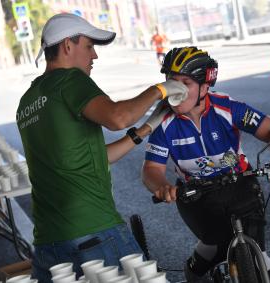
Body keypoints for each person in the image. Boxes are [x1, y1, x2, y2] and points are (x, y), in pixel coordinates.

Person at [16, 13, 188, 283]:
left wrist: (144, 130)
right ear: (67, 46)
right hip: (93, 229)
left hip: (49, 242)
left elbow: (92, 158)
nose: (94, 56)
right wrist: (162, 89)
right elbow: (118, 117)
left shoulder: (27, 101)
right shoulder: (69, 80)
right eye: (89, 46)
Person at [141, 47, 270, 282]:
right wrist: (162, 186)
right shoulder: (163, 122)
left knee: (257, 252)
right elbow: (151, 170)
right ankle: (195, 268)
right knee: (214, 246)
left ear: (205, 87)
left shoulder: (227, 107)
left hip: (240, 184)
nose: (175, 90)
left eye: (186, 83)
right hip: (195, 195)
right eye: (171, 82)